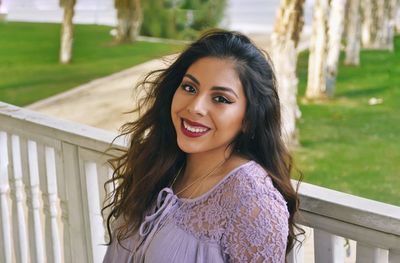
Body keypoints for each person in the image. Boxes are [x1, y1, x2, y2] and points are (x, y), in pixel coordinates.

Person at [102, 30, 302, 263]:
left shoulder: (253, 203)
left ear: (249, 118)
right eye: (189, 88)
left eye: (220, 99)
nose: (195, 107)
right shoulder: (159, 163)